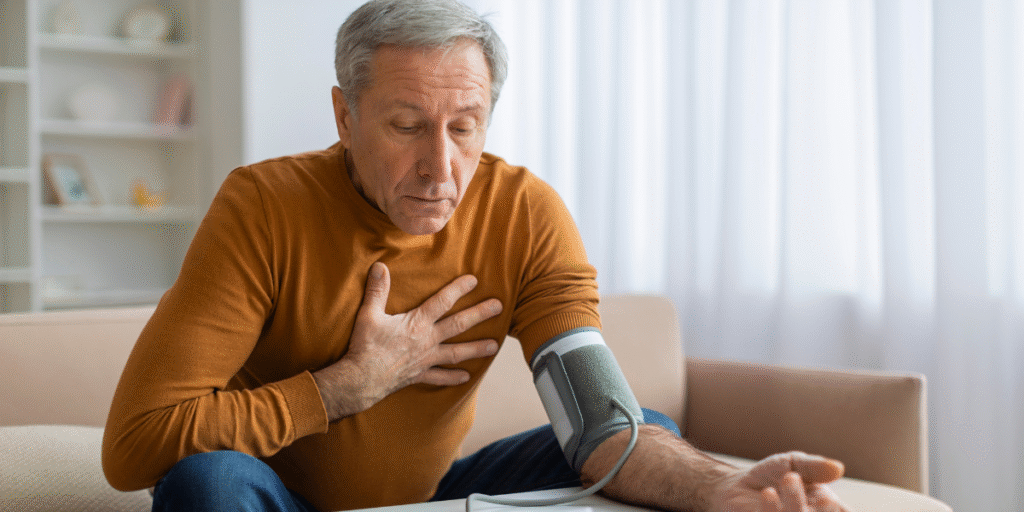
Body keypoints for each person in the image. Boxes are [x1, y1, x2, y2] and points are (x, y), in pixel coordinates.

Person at [102, 1, 852, 511]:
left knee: (641, 424)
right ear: (344, 114)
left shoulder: (525, 213)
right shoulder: (262, 207)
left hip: (436, 495)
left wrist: (723, 490)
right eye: (406, 125)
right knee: (206, 482)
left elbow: (599, 427)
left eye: (465, 126)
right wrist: (340, 390)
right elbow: (133, 447)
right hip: (276, 496)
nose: (441, 167)